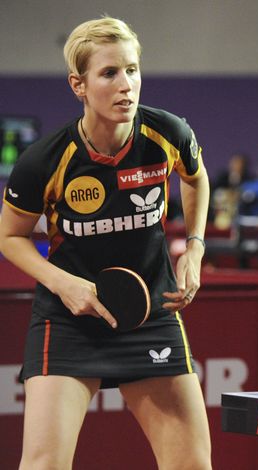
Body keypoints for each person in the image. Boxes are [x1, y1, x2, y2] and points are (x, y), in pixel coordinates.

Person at [0, 17, 211, 469]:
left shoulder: (168, 133)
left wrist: (195, 244)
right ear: (79, 85)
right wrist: (63, 284)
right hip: (70, 317)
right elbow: (10, 237)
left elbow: (196, 178)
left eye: (132, 70)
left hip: (149, 310)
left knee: (192, 465)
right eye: (109, 73)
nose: (126, 85)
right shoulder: (45, 160)